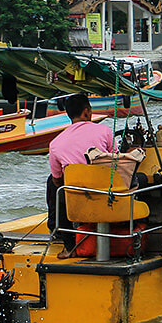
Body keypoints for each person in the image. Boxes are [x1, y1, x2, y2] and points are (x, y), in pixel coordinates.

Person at [46, 93, 116, 258]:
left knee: (55, 185)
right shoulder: (104, 130)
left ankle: (68, 244)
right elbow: (116, 159)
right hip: (105, 190)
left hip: (75, 195)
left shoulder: (55, 143)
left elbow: (57, 179)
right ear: (86, 112)